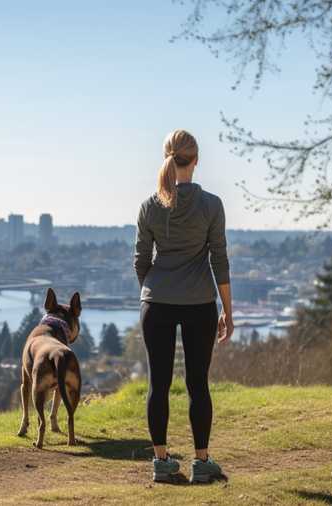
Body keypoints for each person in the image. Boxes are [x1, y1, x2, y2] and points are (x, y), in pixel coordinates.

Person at [134, 129, 234, 484]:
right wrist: (228, 311)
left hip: (156, 303)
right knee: (198, 385)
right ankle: (202, 462)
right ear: (196, 160)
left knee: (157, 384)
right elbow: (219, 261)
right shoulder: (212, 205)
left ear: (166, 158)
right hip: (199, 304)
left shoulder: (150, 206)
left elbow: (141, 260)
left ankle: (162, 462)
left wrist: (150, 290)